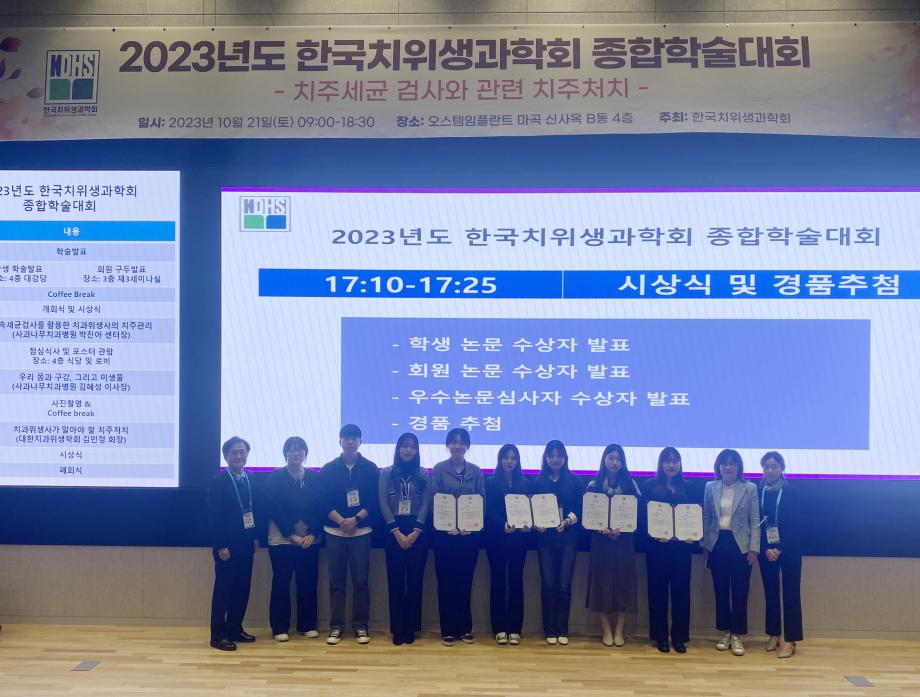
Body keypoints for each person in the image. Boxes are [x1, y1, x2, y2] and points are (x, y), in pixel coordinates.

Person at [319, 424, 379, 645]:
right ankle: (336, 626)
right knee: (336, 582)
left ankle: (361, 626)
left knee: (361, 582)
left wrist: (355, 520)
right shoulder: (329, 469)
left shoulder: (370, 468)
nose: (351, 442)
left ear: (360, 442)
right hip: (334, 532)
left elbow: (374, 500)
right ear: (340, 442)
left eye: (354, 438)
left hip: (361, 531)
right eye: (347, 438)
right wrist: (341, 521)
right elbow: (323, 500)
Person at [702, 448, 760, 656]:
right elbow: (706, 517)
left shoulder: (749, 488)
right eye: (724, 463)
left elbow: (755, 520)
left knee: (740, 590)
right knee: (721, 590)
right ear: (718, 466)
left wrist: (754, 547)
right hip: (717, 543)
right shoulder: (710, 487)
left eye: (732, 463)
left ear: (738, 466)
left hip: (741, 545)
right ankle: (725, 632)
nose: (728, 467)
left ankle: (737, 634)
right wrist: (705, 545)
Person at [265, 436, 324, 642]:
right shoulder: (276, 477)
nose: (296, 453)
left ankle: (307, 625)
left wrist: (312, 533)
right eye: (291, 450)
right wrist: (292, 535)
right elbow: (274, 508)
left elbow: (320, 508)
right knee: (282, 582)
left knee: (308, 581)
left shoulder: (314, 477)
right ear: (285, 454)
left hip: (309, 539)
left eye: (300, 449)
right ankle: (279, 627)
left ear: (305, 453)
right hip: (282, 539)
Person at [430, 427, 485, 646]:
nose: (457, 446)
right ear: (448, 445)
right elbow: (435, 500)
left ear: (467, 446)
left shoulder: (476, 471)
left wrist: (471, 526)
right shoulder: (439, 469)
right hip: (445, 536)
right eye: (453, 441)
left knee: (465, 581)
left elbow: (481, 500)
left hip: (469, 537)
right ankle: (448, 629)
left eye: (461, 442)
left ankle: (465, 628)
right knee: (446, 582)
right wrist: (448, 526)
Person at [641, 446, 698, 653]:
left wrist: (693, 536)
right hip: (657, 548)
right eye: (667, 461)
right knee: (658, 593)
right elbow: (642, 517)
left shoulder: (690, 487)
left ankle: (679, 637)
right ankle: (661, 637)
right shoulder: (649, 486)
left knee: (681, 593)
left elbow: (696, 517)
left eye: (675, 461)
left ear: (680, 464)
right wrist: (654, 534)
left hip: (682, 549)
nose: (671, 465)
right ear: (661, 463)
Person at [585, 443, 641, 648]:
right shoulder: (593, 485)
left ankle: (619, 629)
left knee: (623, 584)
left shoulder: (631, 485)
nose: (614, 462)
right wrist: (601, 528)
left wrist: (623, 529)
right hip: (601, 543)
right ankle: (606, 628)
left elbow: (639, 515)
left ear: (623, 462)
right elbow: (587, 515)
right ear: (604, 460)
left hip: (624, 542)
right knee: (602, 584)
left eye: (618, 458)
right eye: (611, 458)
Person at [207, 436, 259, 651]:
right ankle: (218, 635)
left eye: (242, 452)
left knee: (242, 588)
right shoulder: (219, 481)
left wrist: (255, 537)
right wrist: (221, 545)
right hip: (227, 546)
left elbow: (253, 510)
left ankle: (235, 629)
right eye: (234, 452)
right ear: (226, 456)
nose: (239, 456)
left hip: (246, 544)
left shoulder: (250, 478)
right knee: (224, 591)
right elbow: (214, 517)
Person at [379, 432, 430, 646]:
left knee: (415, 581)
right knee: (396, 581)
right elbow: (383, 503)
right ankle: (397, 628)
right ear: (398, 449)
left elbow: (426, 504)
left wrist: (416, 532)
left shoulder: (423, 473)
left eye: (412, 446)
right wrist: (397, 533)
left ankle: (411, 628)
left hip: (417, 530)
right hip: (394, 530)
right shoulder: (387, 473)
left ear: (417, 450)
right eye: (405, 446)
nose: (408, 450)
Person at [531, 440, 584, 646]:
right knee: (548, 585)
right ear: (546, 458)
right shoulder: (538, 482)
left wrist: (568, 520)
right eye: (551, 455)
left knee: (564, 586)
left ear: (565, 458)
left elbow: (580, 508)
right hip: (545, 539)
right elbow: (532, 510)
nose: (555, 459)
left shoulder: (575, 481)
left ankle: (562, 629)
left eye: (559, 455)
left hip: (568, 538)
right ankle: (549, 629)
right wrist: (537, 523)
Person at [758, 451, 804, 658]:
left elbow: (797, 524)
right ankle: (774, 634)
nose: (770, 470)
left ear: (782, 468)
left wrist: (780, 547)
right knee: (770, 593)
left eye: (774, 466)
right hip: (766, 550)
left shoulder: (792, 492)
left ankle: (791, 640)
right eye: (766, 467)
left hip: (789, 549)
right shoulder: (758, 492)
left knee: (791, 593)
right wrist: (765, 547)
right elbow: (755, 523)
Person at [484, 443, 530, 645]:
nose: (509, 461)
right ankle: (499, 628)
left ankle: (515, 628)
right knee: (498, 581)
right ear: (500, 459)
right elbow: (487, 511)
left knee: (516, 582)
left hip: (519, 540)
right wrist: (501, 524)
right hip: (496, 539)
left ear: (517, 461)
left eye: (513, 458)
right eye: (506, 457)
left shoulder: (525, 484)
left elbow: (530, 511)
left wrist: (528, 524)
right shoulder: (490, 482)